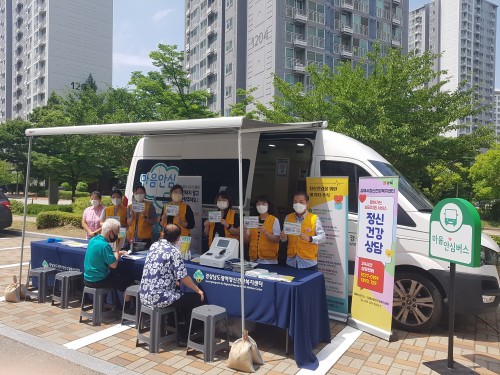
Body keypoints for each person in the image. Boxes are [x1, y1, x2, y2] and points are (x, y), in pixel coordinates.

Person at [139, 224, 204, 346]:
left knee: (179, 294)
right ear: (179, 238)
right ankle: (185, 337)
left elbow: (162, 269)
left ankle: (171, 328)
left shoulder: (154, 245)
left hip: (144, 294)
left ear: (163, 234)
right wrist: (198, 290)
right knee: (194, 299)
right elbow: (184, 277)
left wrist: (173, 280)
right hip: (160, 298)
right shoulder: (174, 251)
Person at [83, 218, 133, 308]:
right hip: (99, 280)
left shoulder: (93, 240)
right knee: (128, 283)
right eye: (116, 233)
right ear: (110, 232)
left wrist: (117, 253)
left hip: (87, 278)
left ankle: (103, 306)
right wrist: (118, 248)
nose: (117, 236)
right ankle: (127, 312)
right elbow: (113, 265)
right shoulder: (105, 245)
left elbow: (103, 256)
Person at [280, 191, 325, 270]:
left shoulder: (314, 218)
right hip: (291, 262)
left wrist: (310, 238)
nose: (298, 204)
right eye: (295, 202)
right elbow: (284, 239)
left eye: (301, 202)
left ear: (307, 204)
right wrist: (283, 237)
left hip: (308, 263)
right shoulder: (288, 217)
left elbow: (323, 238)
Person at [244, 196, 281, 263]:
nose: (261, 206)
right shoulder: (252, 220)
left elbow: (277, 239)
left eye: (263, 204)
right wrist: (244, 231)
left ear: (268, 205)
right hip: (253, 259)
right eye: (258, 204)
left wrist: (266, 233)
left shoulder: (274, 220)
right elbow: (246, 241)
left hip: (269, 260)